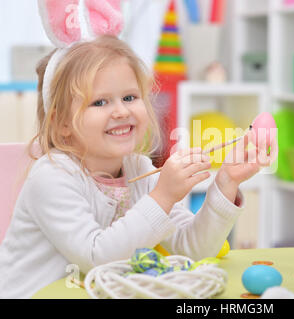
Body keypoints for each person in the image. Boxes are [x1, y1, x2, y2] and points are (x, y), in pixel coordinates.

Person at [0, 35, 275, 298]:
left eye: (129, 97)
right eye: (100, 102)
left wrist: (226, 182)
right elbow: (97, 258)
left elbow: (193, 250)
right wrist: (163, 197)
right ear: (62, 123)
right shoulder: (52, 177)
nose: (121, 111)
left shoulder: (139, 169)